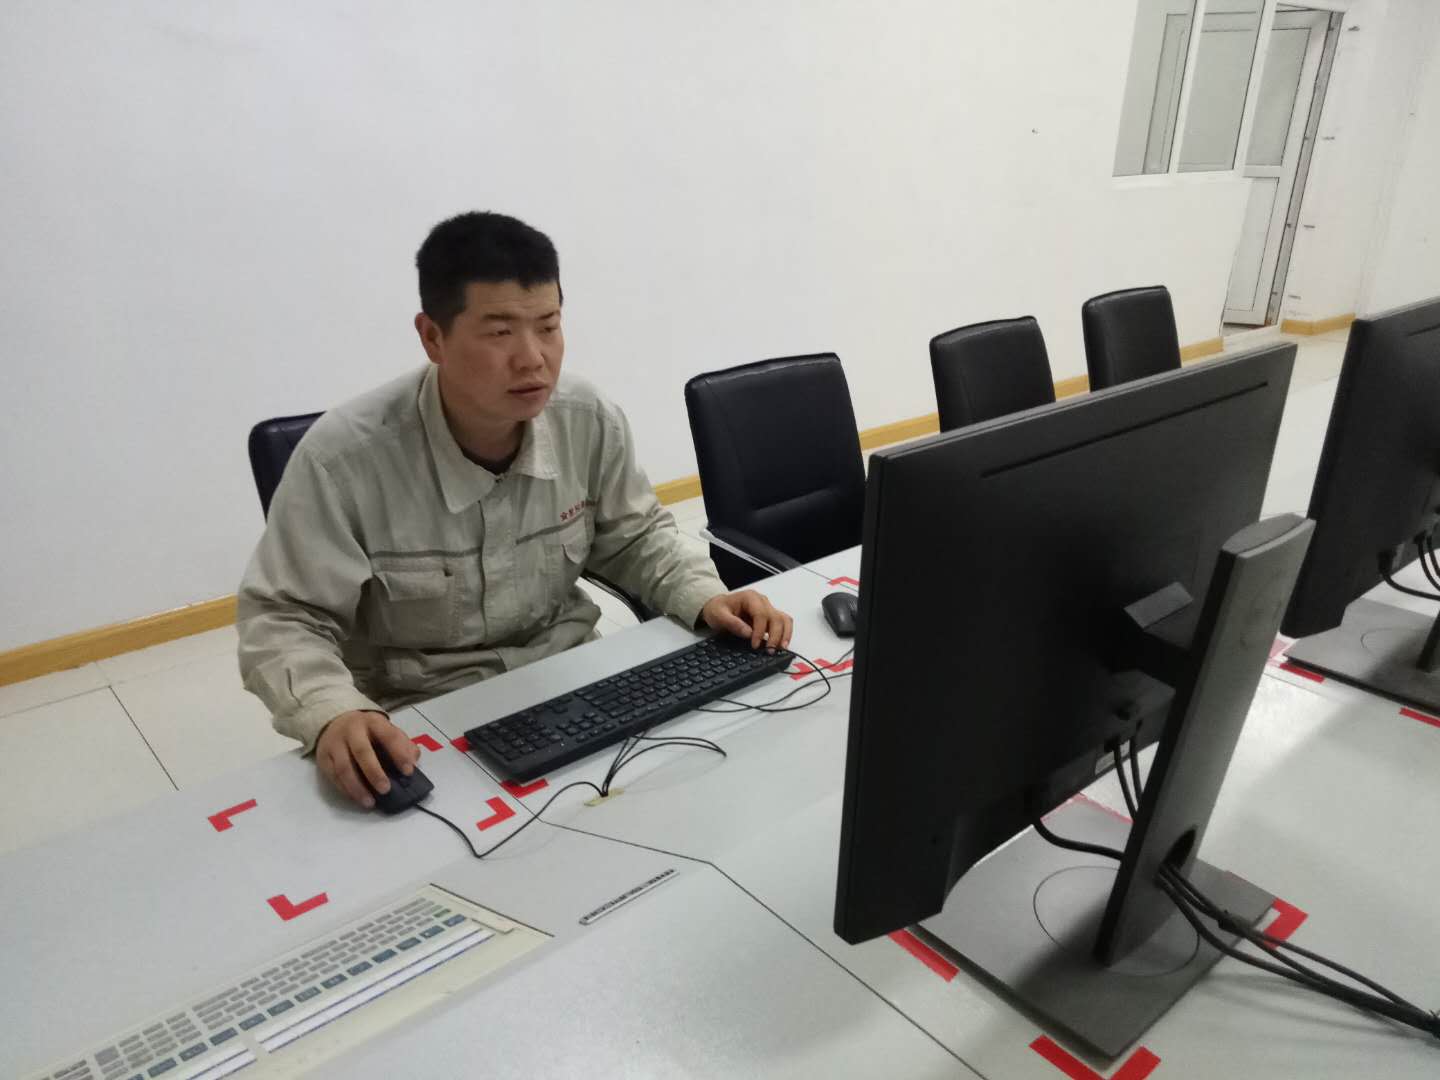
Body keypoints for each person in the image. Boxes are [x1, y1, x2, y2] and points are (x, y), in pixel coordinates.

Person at [238, 211, 794, 808]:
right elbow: (284, 617)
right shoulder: (344, 460)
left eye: (548, 326)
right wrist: (333, 712)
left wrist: (704, 595)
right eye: (500, 332)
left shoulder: (586, 418)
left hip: (573, 683)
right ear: (432, 337)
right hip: (420, 721)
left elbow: (634, 537)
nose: (533, 359)